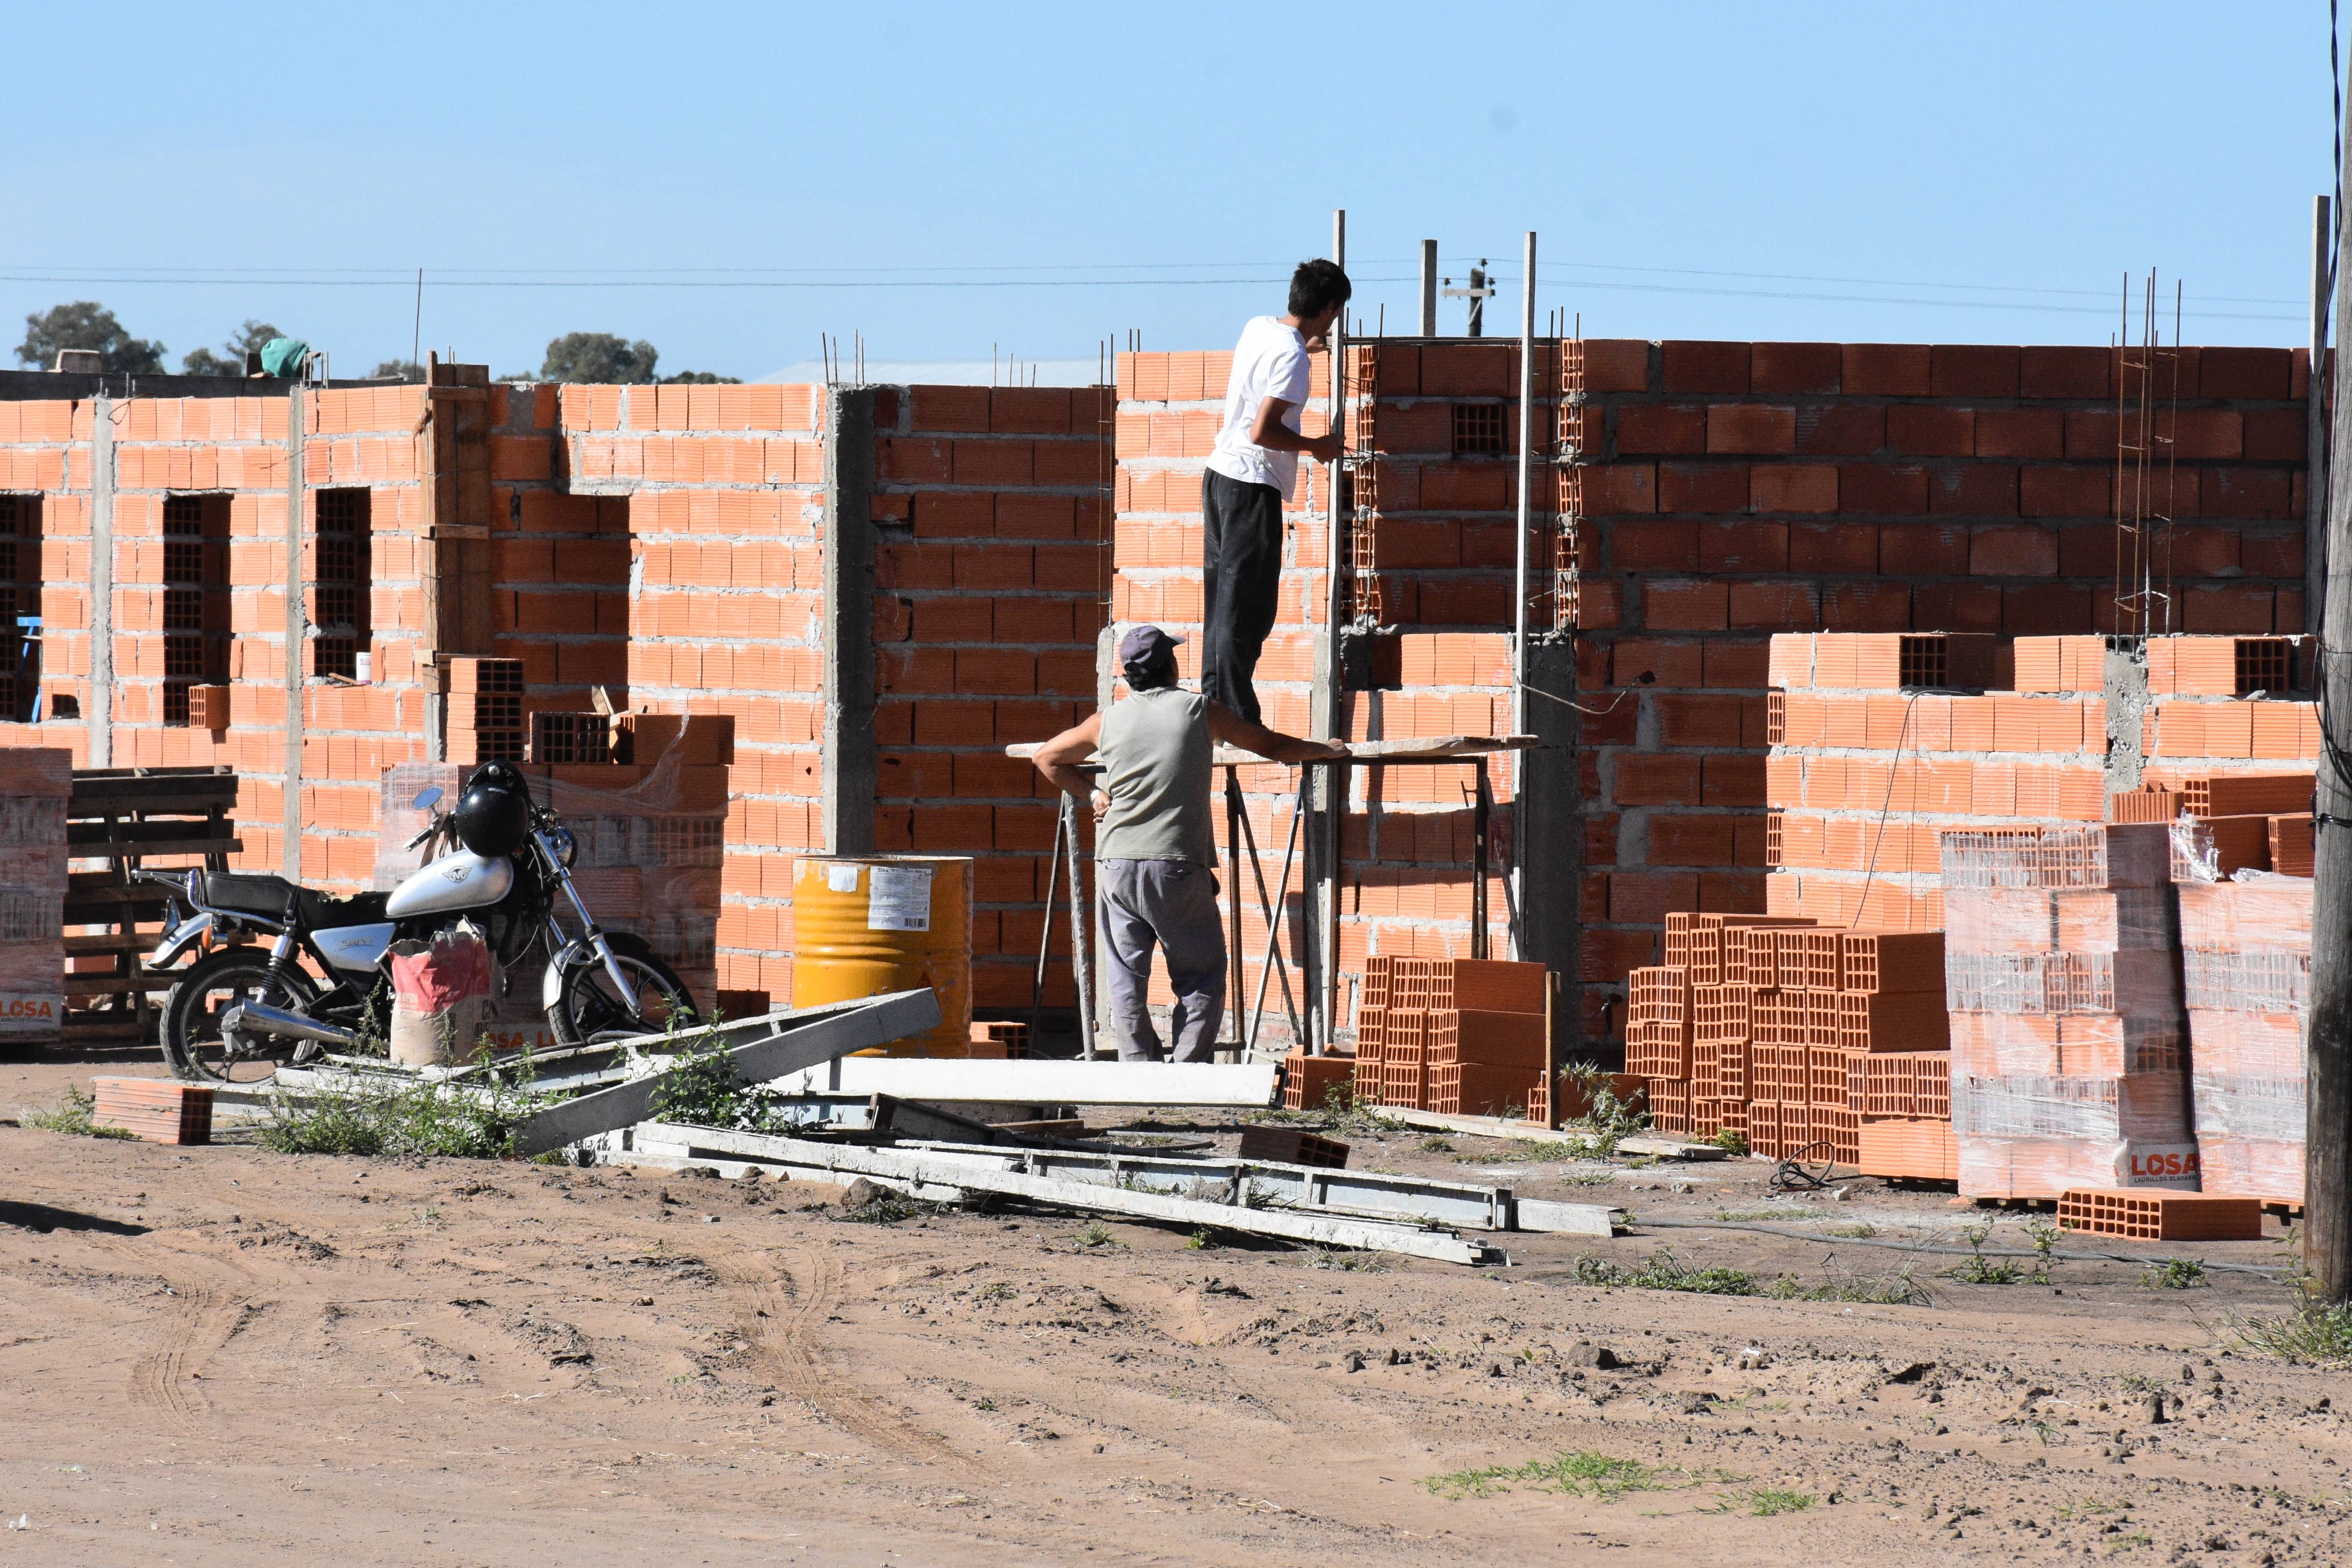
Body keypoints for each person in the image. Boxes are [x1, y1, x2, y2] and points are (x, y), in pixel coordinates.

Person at [1031, 625, 1345, 1063]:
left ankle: (1138, 1075)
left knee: (1125, 978)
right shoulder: (1199, 711)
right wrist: (1324, 750)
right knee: (1200, 977)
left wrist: (1093, 794)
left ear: (1127, 675)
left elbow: (1045, 757)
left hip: (1116, 864)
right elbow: (1270, 745)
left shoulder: (1107, 720)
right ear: (1171, 666)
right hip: (1175, 864)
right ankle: (1187, 1072)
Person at [1200, 258, 1352, 723]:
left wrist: (1307, 347)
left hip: (1220, 476)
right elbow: (1263, 431)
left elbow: (1269, 371)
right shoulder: (1293, 359)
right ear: (1328, 307)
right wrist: (1316, 446)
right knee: (1248, 603)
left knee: (1224, 598)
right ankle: (1233, 710)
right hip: (1251, 483)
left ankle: (1216, 700)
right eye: (1337, 311)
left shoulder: (1262, 328)